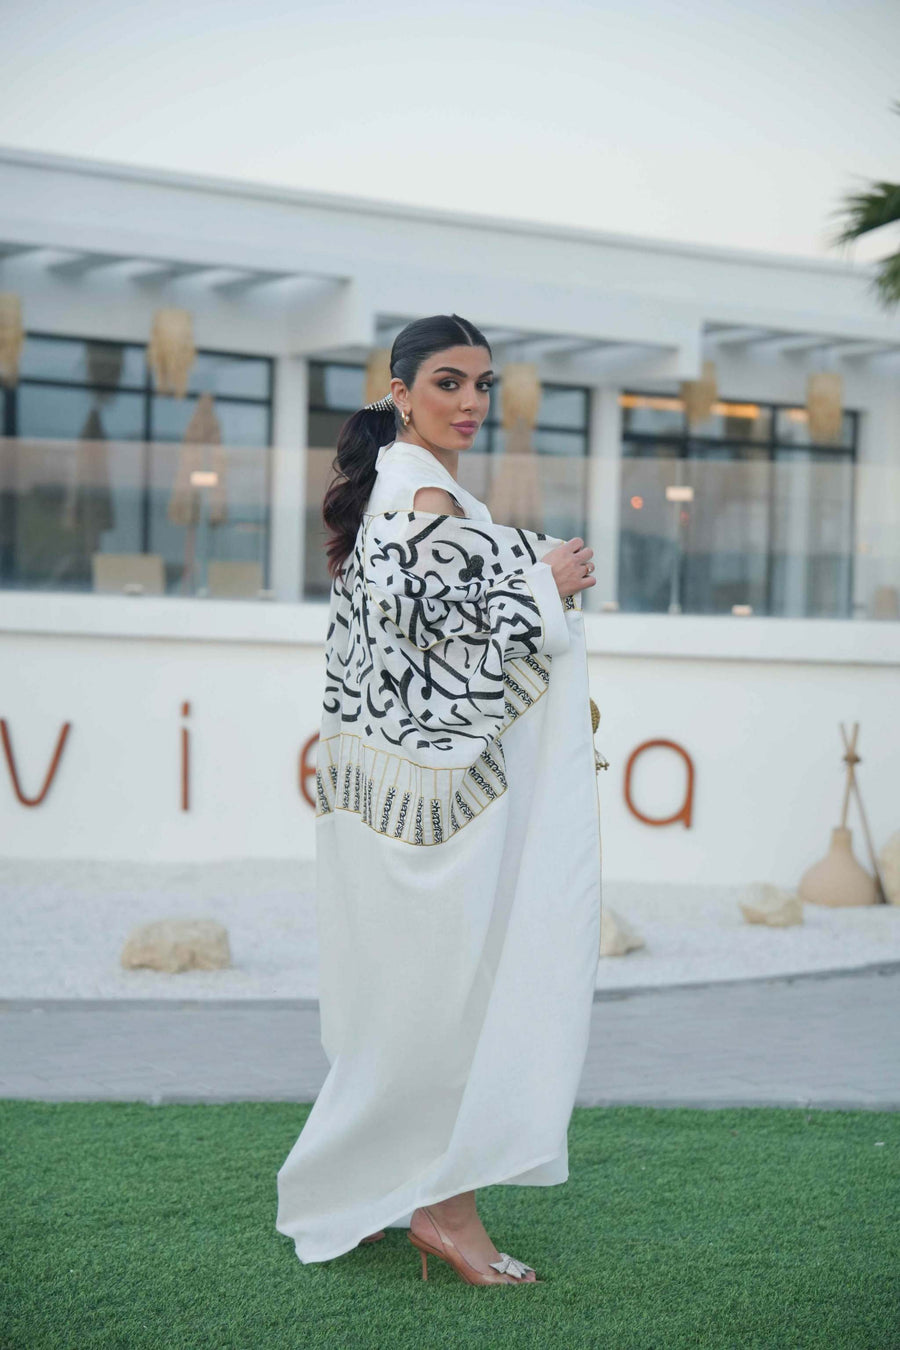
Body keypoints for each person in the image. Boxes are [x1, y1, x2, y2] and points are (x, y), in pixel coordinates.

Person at [276, 312, 601, 1286]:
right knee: (453, 1001)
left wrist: (524, 575)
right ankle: (444, 1211)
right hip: (432, 822)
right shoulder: (416, 490)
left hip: (407, 805)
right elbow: (425, 619)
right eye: (450, 382)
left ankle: (378, 1187)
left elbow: (410, 620)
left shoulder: (409, 484)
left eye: (483, 384)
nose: (470, 402)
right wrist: (543, 581)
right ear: (402, 389)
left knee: (416, 1000)